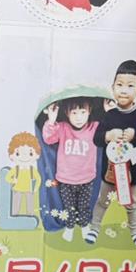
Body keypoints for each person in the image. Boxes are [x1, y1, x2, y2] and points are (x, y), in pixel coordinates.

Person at [87, 59, 136, 248]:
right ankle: (94, 229)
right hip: (110, 172)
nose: (123, 90)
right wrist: (109, 135)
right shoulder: (108, 116)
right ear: (113, 87)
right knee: (103, 201)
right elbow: (96, 138)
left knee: (131, 203)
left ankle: (135, 232)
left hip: (131, 173)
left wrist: (135, 135)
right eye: (119, 85)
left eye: (130, 86)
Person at [42, 97, 101, 243]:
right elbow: (48, 139)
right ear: (67, 113)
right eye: (74, 113)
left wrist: (110, 111)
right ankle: (69, 227)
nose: (79, 117)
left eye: (83, 112)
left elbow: (108, 132)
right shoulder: (62, 127)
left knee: (84, 206)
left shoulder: (94, 127)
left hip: (86, 179)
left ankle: (84, 225)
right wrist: (51, 120)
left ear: (89, 111)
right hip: (66, 179)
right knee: (68, 207)